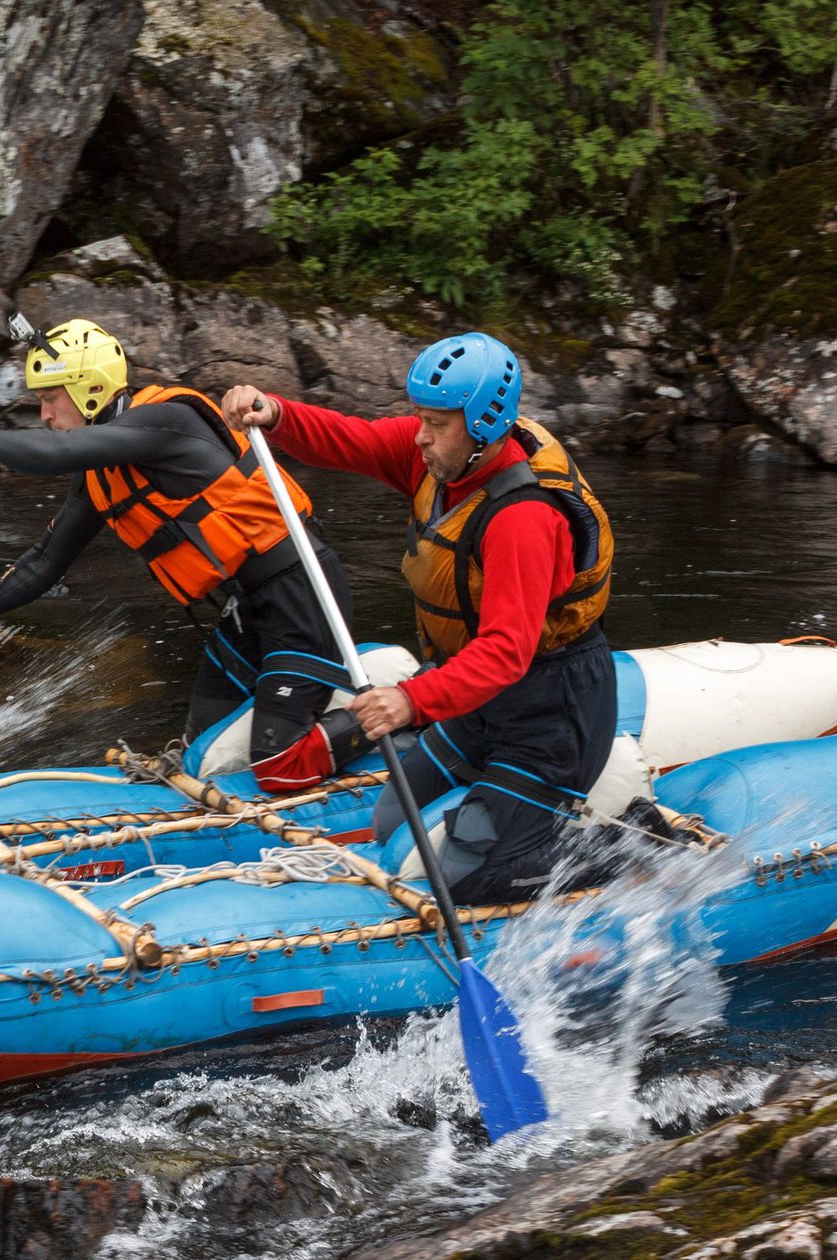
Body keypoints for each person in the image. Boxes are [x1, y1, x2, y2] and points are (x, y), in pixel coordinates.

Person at [221, 331, 616, 904]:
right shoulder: (442, 459)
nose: (421, 437)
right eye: (420, 419)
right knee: (389, 820)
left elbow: (507, 649)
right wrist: (276, 414)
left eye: (437, 424)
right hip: (481, 706)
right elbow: (353, 439)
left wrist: (411, 700)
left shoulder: (523, 519)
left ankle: (621, 853)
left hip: (552, 719)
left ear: (482, 424)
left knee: (466, 873)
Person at [0, 315, 368, 789]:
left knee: (277, 767)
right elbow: (45, 563)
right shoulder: (101, 474)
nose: (44, 415)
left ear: (88, 389)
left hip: (303, 592)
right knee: (199, 751)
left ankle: (393, 710)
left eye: (49, 399)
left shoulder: (164, 420)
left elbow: (52, 453)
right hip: (248, 605)